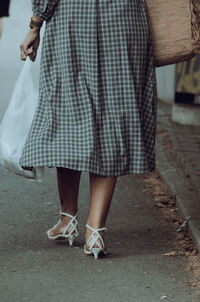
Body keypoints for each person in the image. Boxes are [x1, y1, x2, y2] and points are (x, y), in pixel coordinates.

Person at [20, 0, 157, 259]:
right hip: (124, 22)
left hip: (73, 23)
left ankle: (68, 218)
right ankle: (94, 232)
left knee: (69, 114)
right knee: (113, 117)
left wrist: (35, 25)